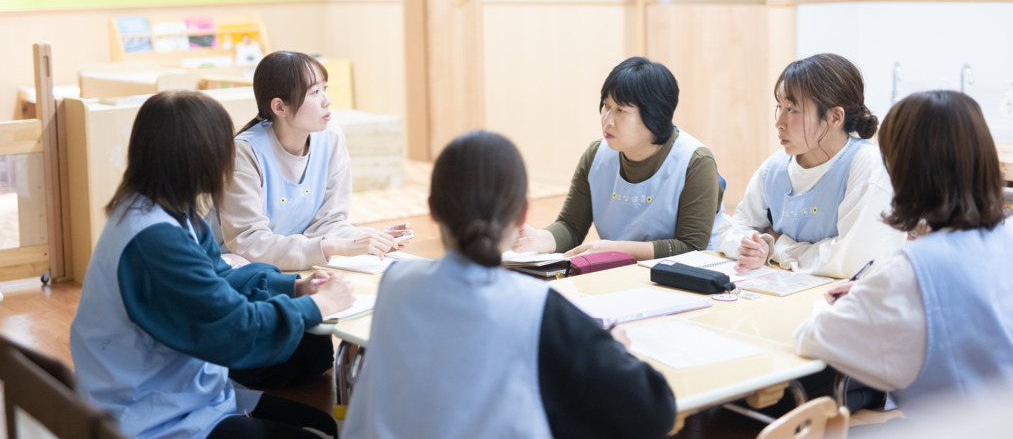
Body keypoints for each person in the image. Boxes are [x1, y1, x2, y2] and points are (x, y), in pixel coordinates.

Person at [343, 130, 677, 439]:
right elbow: (655, 410)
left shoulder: (395, 284)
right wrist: (610, 350)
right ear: (522, 215)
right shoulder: (538, 308)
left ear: (432, 210)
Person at [70, 91, 354, 439]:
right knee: (322, 433)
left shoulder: (160, 210)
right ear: (198, 159)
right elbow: (236, 329)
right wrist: (319, 305)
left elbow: (219, 279)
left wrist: (294, 286)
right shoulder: (154, 240)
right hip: (149, 416)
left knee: (323, 423)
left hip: (181, 389)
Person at [794, 90, 1013, 414]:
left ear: (904, 171)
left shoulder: (911, 272)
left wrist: (877, 295)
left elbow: (811, 338)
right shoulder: (1004, 236)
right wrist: (880, 293)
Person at [209, 50, 410, 271]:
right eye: (314, 92)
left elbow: (327, 223)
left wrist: (366, 239)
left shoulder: (331, 139)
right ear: (279, 107)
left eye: (325, 88)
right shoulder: (243, 152)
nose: (327, 101)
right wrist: (334, 246)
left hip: (292, 266)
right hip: (232, 270)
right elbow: (249, 243)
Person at [513, 56, 724, 261]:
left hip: (693, 272)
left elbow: (690, 246)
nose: (607, 120)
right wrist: (539, 239)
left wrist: (614, 249)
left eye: (621, 110)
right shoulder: (596, 155)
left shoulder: (695, 161)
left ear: (655, 115)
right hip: (622, 269)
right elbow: (571, 226)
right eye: (606, 106)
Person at [716, 53, 906, 278]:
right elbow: (730, 230)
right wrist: (756, 246)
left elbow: (852, 261)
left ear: (835, 118)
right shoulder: (774, 169)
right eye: (780, 107)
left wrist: (779, 245)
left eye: (792, 110)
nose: (779, 123)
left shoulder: (868, 165)